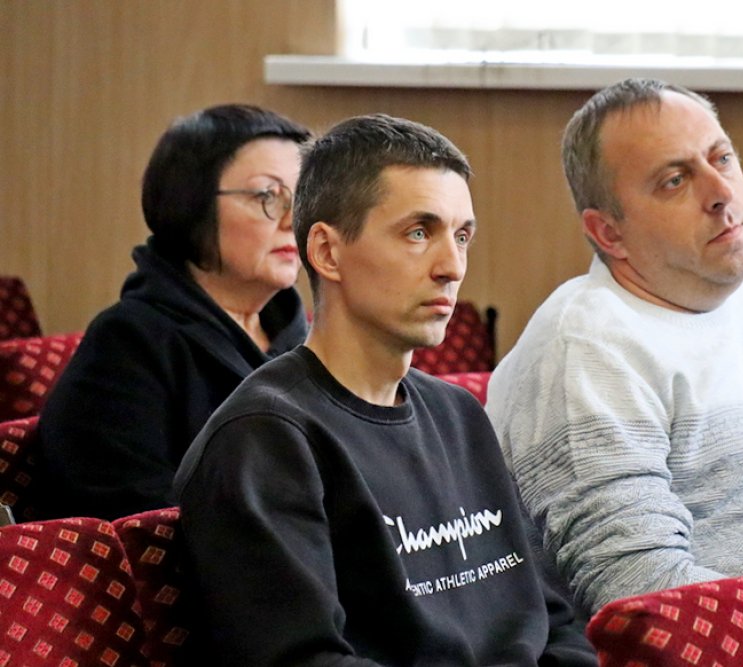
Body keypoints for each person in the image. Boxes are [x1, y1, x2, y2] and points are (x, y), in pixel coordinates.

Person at [173, 113, 597, 666]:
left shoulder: (459, 414)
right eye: (418, 233)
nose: (452, 267)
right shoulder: (264, 440)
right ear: (327, 252)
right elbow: (303, 660)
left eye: (461, 236)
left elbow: (553, 622)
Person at [486, 78, 743, 616]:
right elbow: (642, 593)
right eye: (674, 180)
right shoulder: (586, 345)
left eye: (723, 158)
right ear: (609, 232)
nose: (721, 193)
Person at [37, 104, 311, 520]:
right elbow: (140, 521)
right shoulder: (128, 344)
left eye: (304, 197)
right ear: (192, 204)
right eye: (267, 196)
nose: (294, 220)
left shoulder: (307, 338)